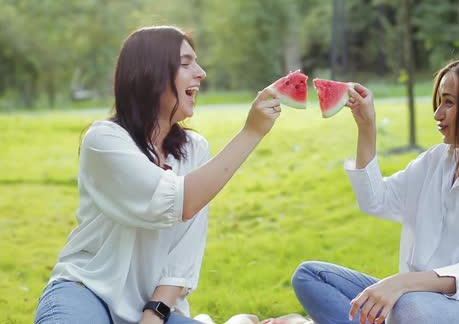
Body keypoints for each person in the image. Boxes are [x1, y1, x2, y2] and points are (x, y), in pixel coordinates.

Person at [34, 26, 281, 324]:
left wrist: (154, 314)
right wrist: (252, 132)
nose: (201, 73)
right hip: (87, 290)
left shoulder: (194, 149)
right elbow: (177, 201)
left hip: (156, 305)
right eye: (186, 63)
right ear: (151, 74)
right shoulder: (104, 140)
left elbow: (183, 253)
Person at [291, 55, 459, 324]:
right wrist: (367, 127)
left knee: (408, 308)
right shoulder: (437, 159)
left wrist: (402, 283)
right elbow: (376, 200)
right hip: (414, 299)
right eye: (440, 102)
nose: (437, 114)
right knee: (310, 276)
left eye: (449, 102)